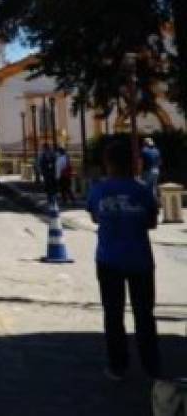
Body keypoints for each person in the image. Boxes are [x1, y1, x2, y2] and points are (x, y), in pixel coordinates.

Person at [86, 139, 162, 380]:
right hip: (140, 259)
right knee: (144, 315)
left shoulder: (98, 190)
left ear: (108, 164)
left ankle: (118, 366)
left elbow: (95, 218)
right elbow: (152, 222)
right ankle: (151, 366)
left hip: (109, 259)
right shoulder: (142, 190)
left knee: (113, 314)